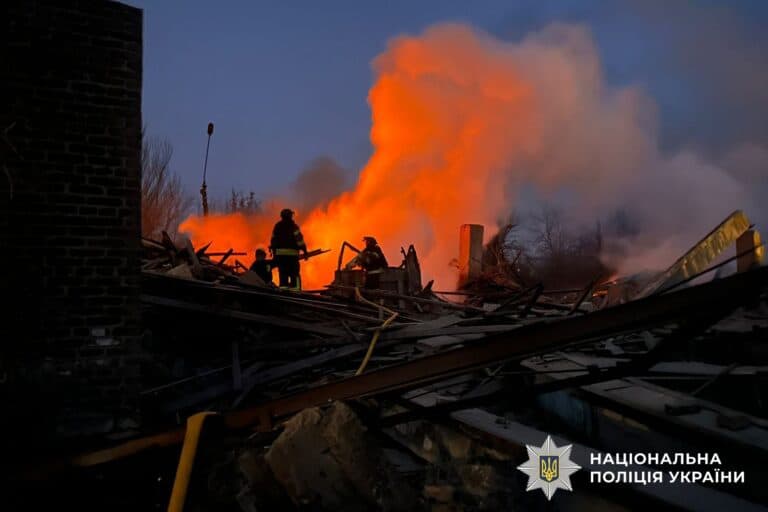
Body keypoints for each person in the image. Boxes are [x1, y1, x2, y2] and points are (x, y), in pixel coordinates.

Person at [270, 208, 308, 290]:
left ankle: (284, 294)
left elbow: (273, 241)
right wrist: (305, 251)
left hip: (281, 258)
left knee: (283, 277)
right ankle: (296, 292)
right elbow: (300, 241)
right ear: (290, 216)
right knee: (294, 275)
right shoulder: (293, 227)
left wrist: (275, 255)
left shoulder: (277, 227)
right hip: (292, 258)